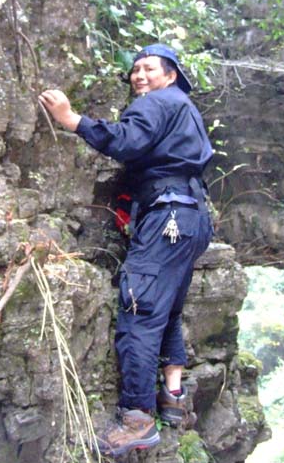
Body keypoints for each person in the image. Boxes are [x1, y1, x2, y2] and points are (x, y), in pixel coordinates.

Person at [38, 43, 214, 457]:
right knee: (166, 307)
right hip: (191, 218)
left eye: (149, 68)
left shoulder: (159, 102)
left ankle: (137, 417)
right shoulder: (183, 107)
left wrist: (71, 119)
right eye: (135, 70)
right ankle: (172, 396)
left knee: (138, 308)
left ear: (170, 75)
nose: (139, 76)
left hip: (168, 216)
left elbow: (128, 140)